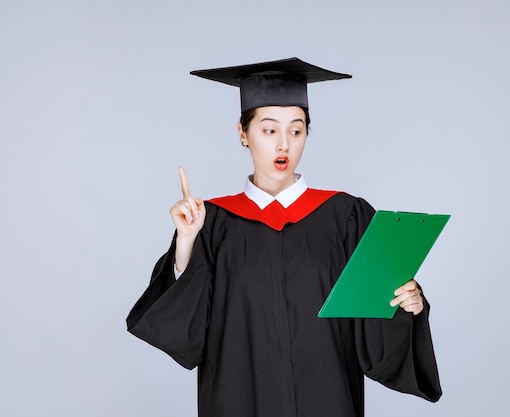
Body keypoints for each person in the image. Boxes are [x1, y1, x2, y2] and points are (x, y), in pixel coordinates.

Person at [126, 58, 441, 417]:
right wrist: (185, 242)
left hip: (328, 400)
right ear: (243, 133)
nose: (284, 145)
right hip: (238, 400)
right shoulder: (212, 222)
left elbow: (375, 335)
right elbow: (188, 330)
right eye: (269, 130)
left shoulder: (346, 216)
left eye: (296, 130)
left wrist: (408, 307)